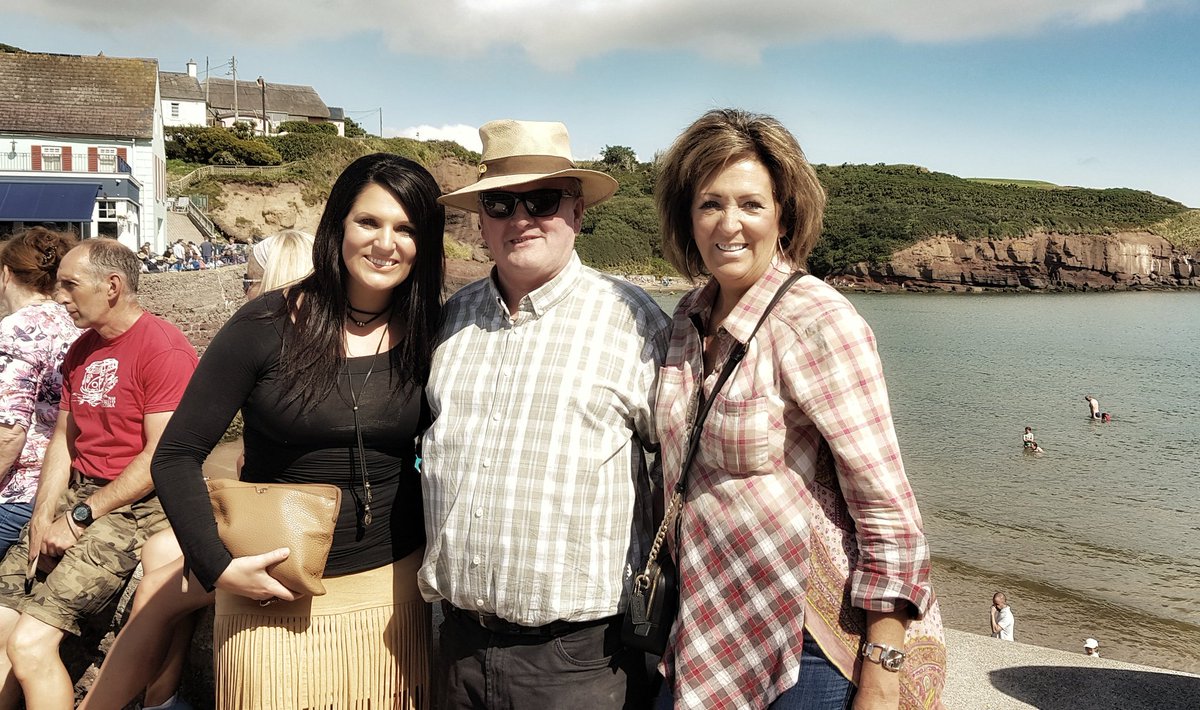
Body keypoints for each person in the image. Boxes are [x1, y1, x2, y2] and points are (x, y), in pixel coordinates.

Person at [652, 109, 943, 709]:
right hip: (706, 626)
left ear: (783, 214)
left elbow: (887, 505)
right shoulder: (686, 319)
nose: (728, 224)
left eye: (750, 205)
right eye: (709, 204)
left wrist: (882, 674)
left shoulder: (816, 320)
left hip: (808, 642)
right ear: (688, 215)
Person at [150, 153, 443, 709]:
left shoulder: (432, 332)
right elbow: (176, 455)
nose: (386, 243)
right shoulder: (265, 324)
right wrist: (217, 566)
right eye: (369, 222)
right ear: (338, 225)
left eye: (406, 229)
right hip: (272, 596)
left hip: (393, 596)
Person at [421, 119, 670, 708]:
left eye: (543, 200)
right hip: (455, 644)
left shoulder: (634, 321)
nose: (521, 217)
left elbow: (689, 474)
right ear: (480, 221)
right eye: (501, 202)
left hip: (582, 660)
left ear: (577, 213)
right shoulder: (450, 321)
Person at [80, 228, 316, 710]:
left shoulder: (261, 342)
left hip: (287, 522)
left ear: (269, 280)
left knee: (157, 586)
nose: (244, 289)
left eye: (251, 278)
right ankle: (164, 695)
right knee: (159, 548)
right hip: (268, 504)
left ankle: (113, 702)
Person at [0, 238, 198, 709]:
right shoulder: (82, 350)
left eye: (70, 285)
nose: (60, 295)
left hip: (132, 509)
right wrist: (43, 517)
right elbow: (63, 445)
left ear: (112, 286)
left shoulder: (162, 347)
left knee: (30, 645)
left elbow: (159, 457)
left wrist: (82, 517)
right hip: (78, 497)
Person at [0, 228, 82, 558]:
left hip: (18, 495)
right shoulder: (73, 323)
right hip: (61, 487)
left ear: (5, 273)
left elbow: (8, 434)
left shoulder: (16, 331)